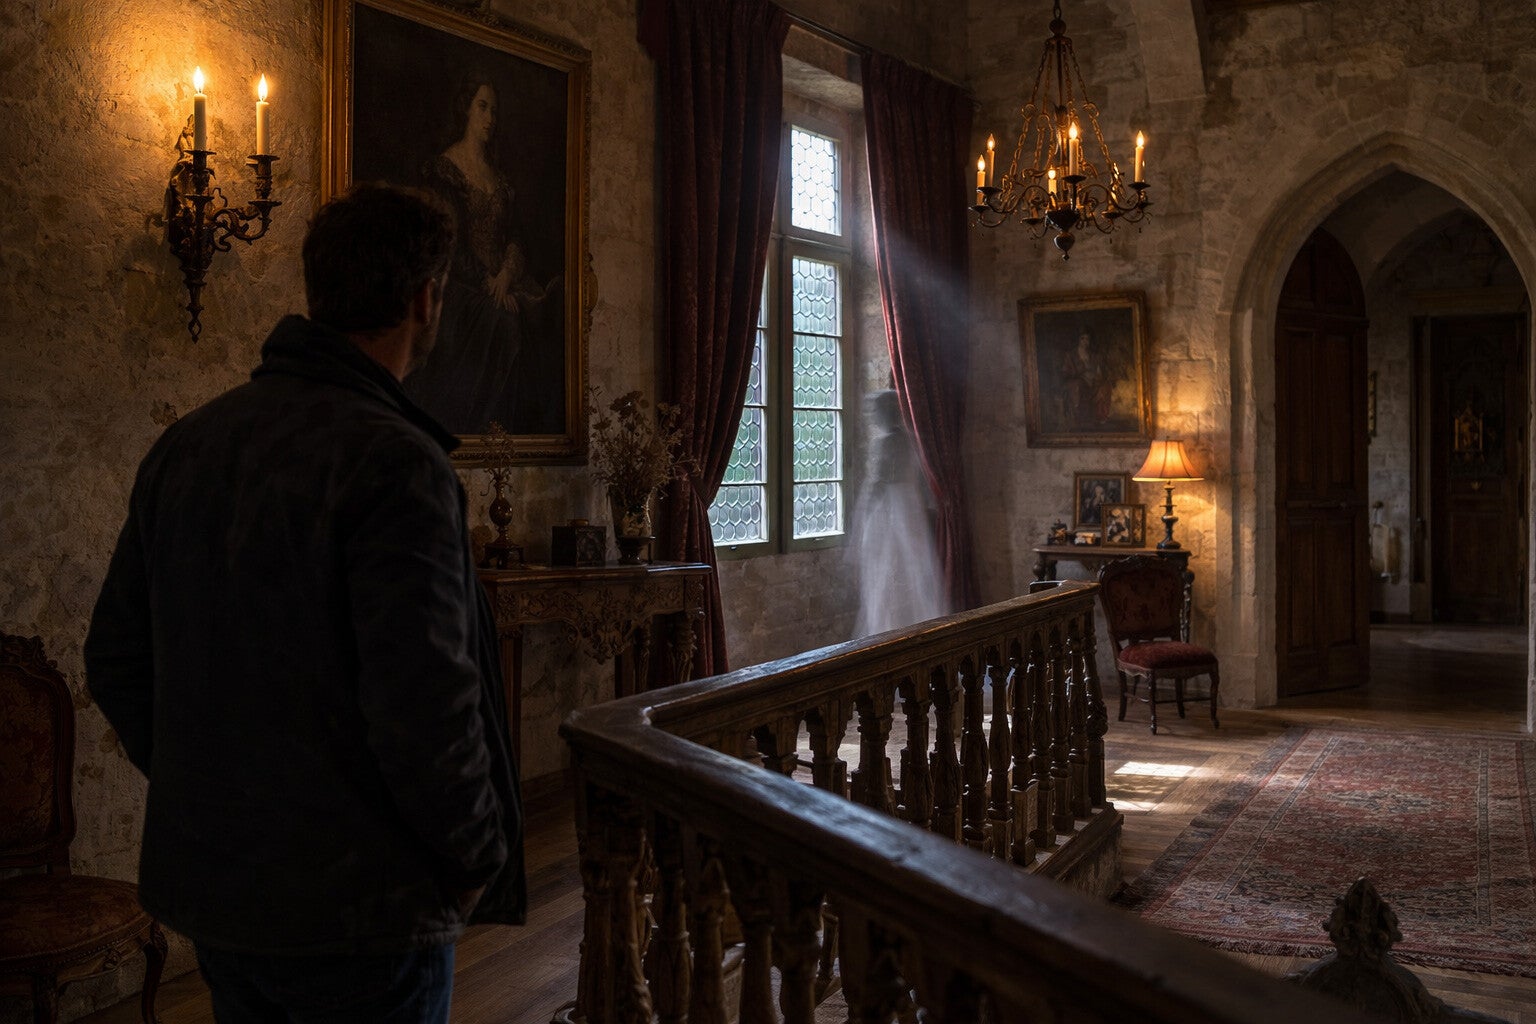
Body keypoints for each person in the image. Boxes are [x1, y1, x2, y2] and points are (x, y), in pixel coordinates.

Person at [85, 183, 524, 1023]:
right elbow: (424, 703)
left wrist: (211, 787)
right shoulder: (396, 461)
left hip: (224, 891)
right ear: (424, 300)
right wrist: (474, 857)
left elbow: (115, 657)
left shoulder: (187, 445)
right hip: (362, 910)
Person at [406, 72, 563, 435]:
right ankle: (484, 435)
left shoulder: (500, 180)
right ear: (466, 109)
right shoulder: (446, 170)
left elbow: (516, 238)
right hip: (461, 285)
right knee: (505, 326)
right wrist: (489, 283)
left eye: (495, 110)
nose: (490, 118)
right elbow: (448, 243)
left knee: (545, 316)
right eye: (483, 107)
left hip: (503, 284)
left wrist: (506, 276)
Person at [851, 390, 950, 636]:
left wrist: (862, 517)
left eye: (875, 411)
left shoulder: (883, 442)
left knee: (886, 572)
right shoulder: (912, 438)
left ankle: (889, 633)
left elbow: (877, 481)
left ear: (884, 413)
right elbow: (922, 479)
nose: (873, 417)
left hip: (889, 509)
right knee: (912, 571)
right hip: (910, 506)